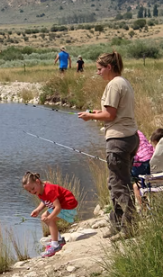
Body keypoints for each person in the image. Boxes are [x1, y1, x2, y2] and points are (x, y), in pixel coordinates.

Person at [77, 51, 138, 242]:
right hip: (130, 137)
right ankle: (117, 224)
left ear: (109, 67)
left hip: (118, 140)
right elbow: (113, 112)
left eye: (99, 69)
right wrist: (98, 112)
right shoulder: (123, 82)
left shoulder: (114, 84)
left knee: (120, 185)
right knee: (116, 182)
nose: (97, 73)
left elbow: (110, 116)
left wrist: (91, 116)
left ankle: (129, 226)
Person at [22, 171, 78, 258]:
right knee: (44, 217)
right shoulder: (39, 190)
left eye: (32, 189)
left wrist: (50, 218)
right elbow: (45, 201)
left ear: (37, 182)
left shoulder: (49, 190)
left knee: (49, 219)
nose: (32, 192)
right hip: (62, 205)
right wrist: (38, 209)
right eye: (29, 191)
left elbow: (58, 207)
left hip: (68, 206)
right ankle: (59, 240)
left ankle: (55, 245)